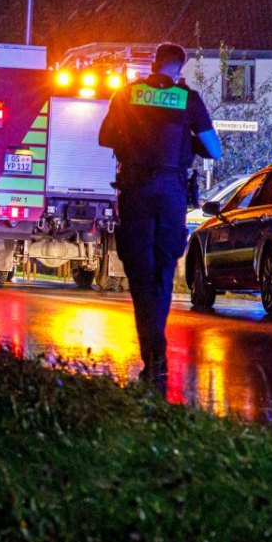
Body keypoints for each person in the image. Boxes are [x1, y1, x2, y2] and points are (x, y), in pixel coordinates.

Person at [98, 42, 221, 383]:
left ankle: (153, 355)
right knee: (163, 273)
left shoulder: (127, 93)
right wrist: (188, 141)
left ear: (154, 64)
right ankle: (157, 354)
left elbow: (104, 136)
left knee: (140, 275)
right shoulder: (188, 99)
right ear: (179, 69)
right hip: (171, 194)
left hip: (136, 191)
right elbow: (215, 149)